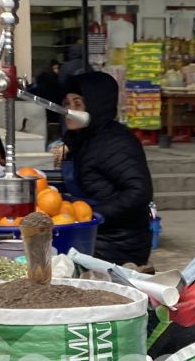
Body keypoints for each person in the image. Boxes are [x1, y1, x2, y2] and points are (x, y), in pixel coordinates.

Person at [61, 71, 153, 265]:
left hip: (118, 242)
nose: (69, 110)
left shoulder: (116, 142)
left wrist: (92, 215)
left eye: (77, 104)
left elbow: (139, 191)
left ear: (96, 106)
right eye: (67, 104)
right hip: (93, 233)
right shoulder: (82, 139)